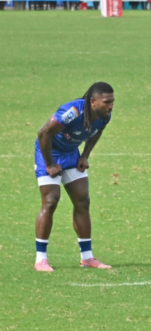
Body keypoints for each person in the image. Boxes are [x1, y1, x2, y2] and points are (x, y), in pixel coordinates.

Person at [34, 82, 115, 272]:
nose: (111, 106)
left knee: (82, 201)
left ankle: (87, 258)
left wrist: (85, 155)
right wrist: (49, 164)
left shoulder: (104, 116)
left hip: (71, 154)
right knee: (51, 200)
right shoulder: (72, 112)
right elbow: (43, 133)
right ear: (93, 102)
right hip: (48, 152)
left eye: (112, 101)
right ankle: (41, 259)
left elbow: (97, 132)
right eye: (107, 102)